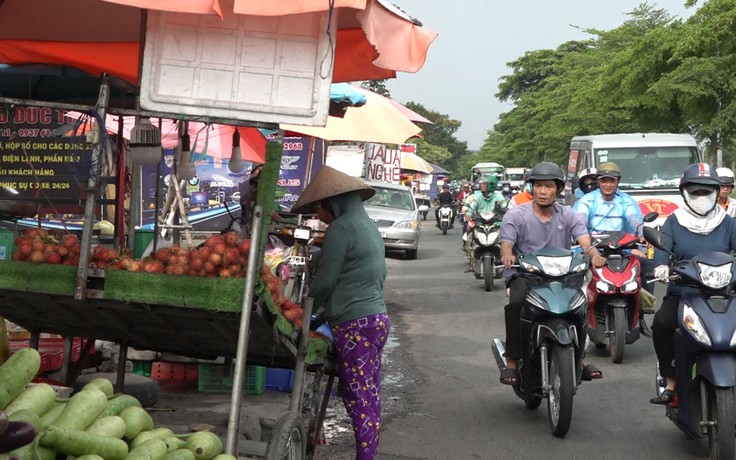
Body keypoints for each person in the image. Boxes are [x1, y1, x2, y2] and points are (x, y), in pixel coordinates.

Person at [290, 166, 390, 459]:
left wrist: (305, 309)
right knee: (369, 395)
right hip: (375, 319)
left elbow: (324, 282)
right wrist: (322, 317)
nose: (319, 214)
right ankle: (368, 454)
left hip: (355, 325)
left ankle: (366, 457)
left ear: (335, 203)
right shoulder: (367, 226)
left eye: (320, 207)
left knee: (358, 398)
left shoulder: (342, 228)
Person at [499, 162, 606, 385]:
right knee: (517, 302)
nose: (543, 191)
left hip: (563, 276)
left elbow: (585, 242)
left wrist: (595, 255)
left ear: (557, 189)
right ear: (532, 188)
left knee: (581, 304)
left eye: (548, 186)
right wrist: (507, 255)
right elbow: (507, 243)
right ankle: (512, 360)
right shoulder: (516, 215)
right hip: (526, 275)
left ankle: (580, 358)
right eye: (538, 186)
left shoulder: (568, 215)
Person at [649, 163, 736, 404]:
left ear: (717, 192)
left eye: (707, 191)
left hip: (724, 293)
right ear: (685, 192)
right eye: (695, 191)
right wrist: (662, 265)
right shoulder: (674, 221)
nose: (701, 196)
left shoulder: (727, 222)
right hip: (684, 290)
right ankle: (671, 380)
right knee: (662, 323)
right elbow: (661, 249)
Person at [573, 161, 654, 336]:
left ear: (618, 181)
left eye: (612, 180)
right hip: (591, 249)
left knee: (646, 266)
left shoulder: (626, 200)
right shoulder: (587, 201)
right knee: (575, 274)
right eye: (604, 181)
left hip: (621, 249)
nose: (608, 184)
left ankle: (640, 315)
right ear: (598, 182)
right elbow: (579, 223)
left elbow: (635, 220)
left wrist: (643, 233)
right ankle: (575, 316)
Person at [463, 177, 506, 271]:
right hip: (480, 224)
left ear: (491, 186)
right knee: (468, 237)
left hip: (496, 224)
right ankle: (471, 262)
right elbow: (472, 207)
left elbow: (505, 207)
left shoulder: (499, 197)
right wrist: (469, 214)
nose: (481, 186)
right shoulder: (478, 197)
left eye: (484, 184)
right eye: (481, 184)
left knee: (507, 239)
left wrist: (504, 211)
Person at [239, 163, 283, 233]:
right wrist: (281, 221)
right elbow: (267, 211)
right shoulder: (253, 191)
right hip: (254, 230)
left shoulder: (259, 190)